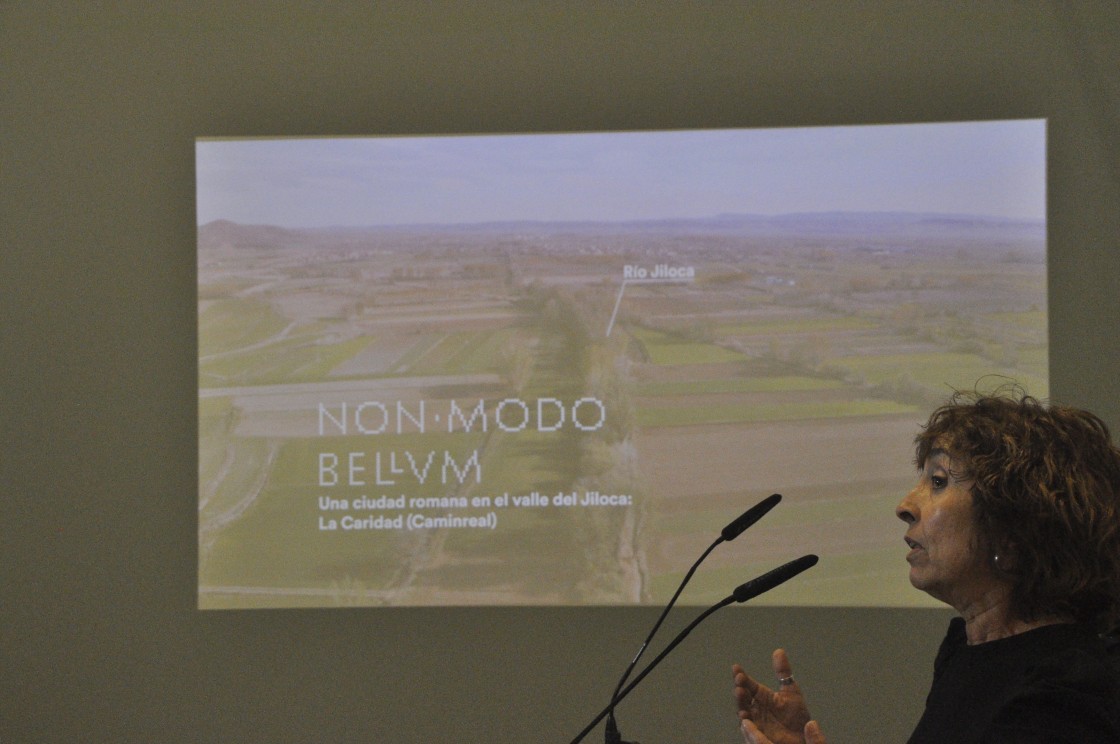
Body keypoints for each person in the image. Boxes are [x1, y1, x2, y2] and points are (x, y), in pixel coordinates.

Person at [732, 390, 1120, 743]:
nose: (905, 505)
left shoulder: (1064, 695)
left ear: (1011, 530)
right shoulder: (966, 651)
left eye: (938, 481)